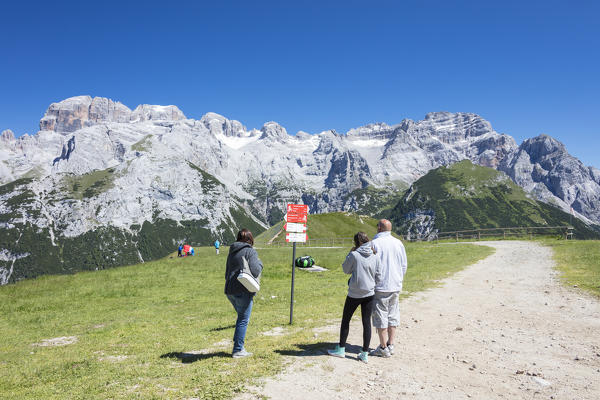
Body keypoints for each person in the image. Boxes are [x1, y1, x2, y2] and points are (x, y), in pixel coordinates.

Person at [328, 232, 381, 364]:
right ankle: (364, 353)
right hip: (369, 293)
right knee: (366, 322)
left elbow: (346, 270)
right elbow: (378, 274)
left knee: (346, 320)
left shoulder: (354, 255)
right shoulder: (375, 255)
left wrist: (350, 253)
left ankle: (341, 349)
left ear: (356, 243)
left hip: (354, 293)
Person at [369, 219, 408, 358]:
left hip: (380, 286)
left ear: (379, 228)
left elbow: (371, 265)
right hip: (395, 285)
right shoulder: (398, 243)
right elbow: (404, 265)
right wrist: (398, 279)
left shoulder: (374, 243)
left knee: (381, 316)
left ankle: (383, 347)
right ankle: (391, 344)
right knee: (393, 315)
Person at [224, 229, 263, 358]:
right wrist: (260, 264)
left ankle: (238, 345)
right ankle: (238, 350)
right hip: (243, 290)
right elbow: (256, 271)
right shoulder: (250, 251)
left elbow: (227, 272)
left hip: (230, 290)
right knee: (243, 320)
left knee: (241, 317)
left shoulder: (232, 251)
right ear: (250, 239)